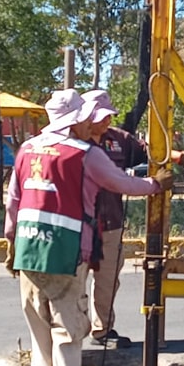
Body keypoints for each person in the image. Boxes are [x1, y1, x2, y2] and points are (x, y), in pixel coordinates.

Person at [3, 89, 173, 366]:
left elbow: (14, 200)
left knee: (38, 319)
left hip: (27, 248)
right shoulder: (84, 153)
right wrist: (155, 184)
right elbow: (121, 183)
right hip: (65, 251)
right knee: (67, 328)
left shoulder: (27, 149)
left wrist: (10, 240)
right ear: (76, 121)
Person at [80, 90, 149, 348]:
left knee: (107, 280)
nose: (107, 121)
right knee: (75, 283)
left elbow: (151, 152)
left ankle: (103, 330)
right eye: (101, 116)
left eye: (109, 116)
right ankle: (72, 331)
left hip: (111, 225)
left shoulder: (119, 140)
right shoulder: (73, 141)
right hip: (79, 225)